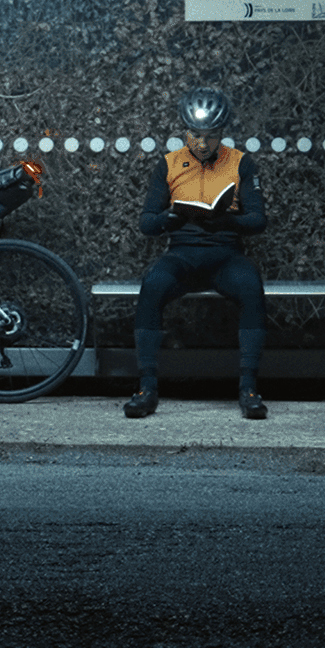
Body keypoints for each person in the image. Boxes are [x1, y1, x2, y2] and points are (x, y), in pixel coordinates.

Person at [125, 86, 269, 420]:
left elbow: (259, 220)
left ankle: (249, 389)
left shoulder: (242, 163)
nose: (203, 144)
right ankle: (146, 389)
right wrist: (170, 217)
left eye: (212, 136)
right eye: (195, 136)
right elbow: (146, 223)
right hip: (182, 255)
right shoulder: (169, 164)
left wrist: (226, 218)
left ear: (223, 133)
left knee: (251, 286)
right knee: (152, 286)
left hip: (225, 256)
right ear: (184, 131)